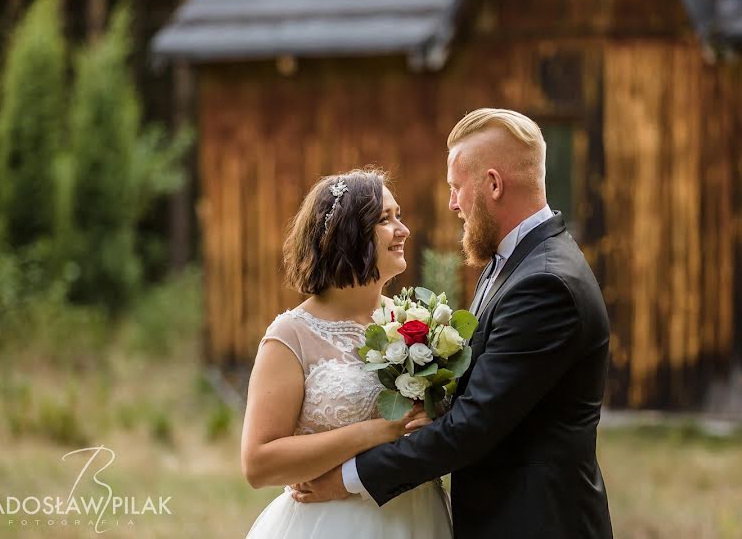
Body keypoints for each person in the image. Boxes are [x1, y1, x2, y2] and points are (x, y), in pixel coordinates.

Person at [291, 109, 614, 538]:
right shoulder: (516, 263)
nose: (452, 203)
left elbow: (473, 427)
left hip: (537, 522)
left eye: (456, 187)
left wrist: (346, 479)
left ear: (494, 185)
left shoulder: (544, 283)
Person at [241, 168, 453, 539]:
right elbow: (259, 463)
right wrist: (374, 432)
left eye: (398, 216)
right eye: (385, 219)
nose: (402, 230)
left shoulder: (412, 321)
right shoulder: (291, 335)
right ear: (348, 233)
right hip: (333, 525)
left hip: (420, 519)